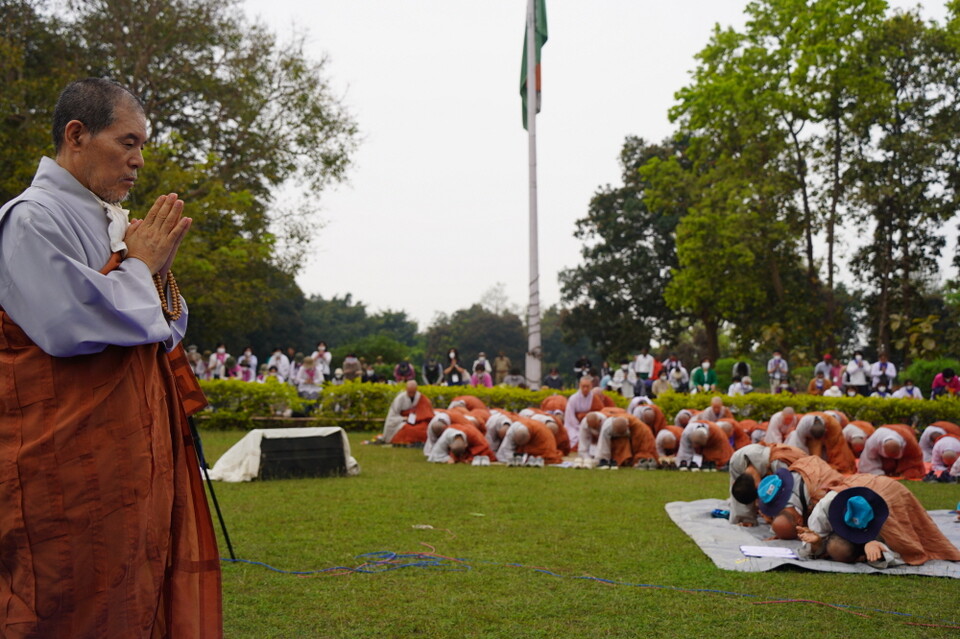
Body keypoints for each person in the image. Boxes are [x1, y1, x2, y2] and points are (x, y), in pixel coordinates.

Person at [0, 78, 220, 635]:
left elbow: (159, 330)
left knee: (131, 588)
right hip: (65, 470)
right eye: (127, 143)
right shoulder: (31, 219)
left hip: (124, 460)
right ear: (77, 135)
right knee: (64, 597)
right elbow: (65, 323)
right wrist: (140, 269)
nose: (139, 161)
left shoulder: (112, 220)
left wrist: (154, 272)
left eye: (141, 146)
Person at [797, 477, 960, 566]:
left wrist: (878, 546)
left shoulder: (888, 523)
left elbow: (908, 550)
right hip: (862, 482)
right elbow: (812, 544)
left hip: (892, 491)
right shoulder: (828, 505)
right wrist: (817, 543)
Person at [784, 412, 856, 473]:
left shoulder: (833, 428)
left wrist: (818, 464)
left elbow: (837, 451)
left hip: (826, 446)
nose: (815, 441)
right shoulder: (803, 425)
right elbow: (799, 444)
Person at [857, 425, 924, 479]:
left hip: (903, 436)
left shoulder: (909, 441)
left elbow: (916, 458)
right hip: (880, 448)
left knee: (911, 472)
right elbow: (869, 460)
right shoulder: (872, 442)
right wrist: (878, 474)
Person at [563, 376, 606, 450]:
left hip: (588, 424)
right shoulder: (573, 399)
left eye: (587, 386)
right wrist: (579, 426)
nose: (585, 389)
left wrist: (584, 418)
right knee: (575, 438)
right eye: (583, 386)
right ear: (579, 385)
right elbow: (570, 417)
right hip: (574, 426)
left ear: (591, 386)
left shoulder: (594, 398)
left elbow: (599, 412)